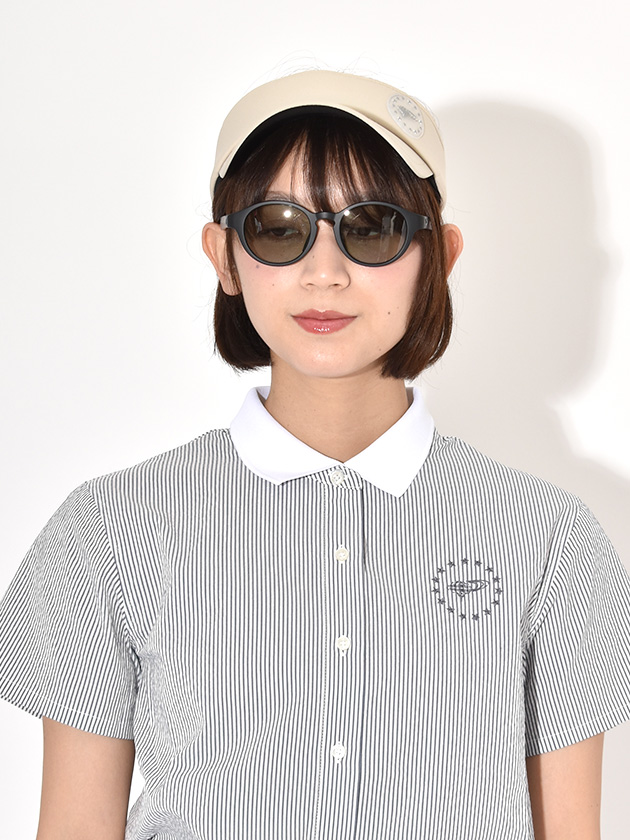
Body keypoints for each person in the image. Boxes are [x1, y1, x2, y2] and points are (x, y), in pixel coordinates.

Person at [0, 68, 629, 840]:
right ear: (224, 257)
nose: (323, 273)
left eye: (372, 228)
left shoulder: (551, 538)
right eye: (278, 227)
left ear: (440, 256)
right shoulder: (110, 530)